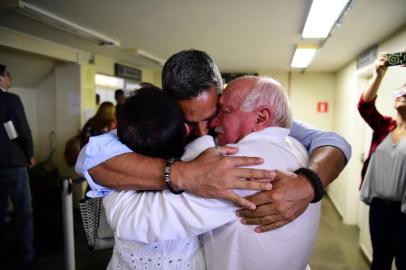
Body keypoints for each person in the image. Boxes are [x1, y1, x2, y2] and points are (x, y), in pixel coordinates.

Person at [76, 49, 351, 232]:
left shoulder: (245, 108)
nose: (205, 129)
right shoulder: (157, 120)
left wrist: (308, 184)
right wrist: (183, 174)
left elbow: (333, 141)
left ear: (224, 95)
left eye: (214, 114)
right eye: (189, 121)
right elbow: (89, 157)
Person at [102, 76, 320, 270]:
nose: (214, 122)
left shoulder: (241, 163)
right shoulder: (297, 146)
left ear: (260, 118)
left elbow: (134, 221)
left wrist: (108, 179)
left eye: (224, 111)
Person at [358, 53, 406, 270]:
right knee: (380, 262)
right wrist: (379, 74)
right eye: (401, 91)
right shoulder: (384, 127)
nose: (403, 94)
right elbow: (365, 107)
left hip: (404, 213)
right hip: (379, 209)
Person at [0, 64, 36, 267]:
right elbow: (22, 128)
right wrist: (29, 154)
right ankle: (26, 256)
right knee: (23, 211)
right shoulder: (10, 99)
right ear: (2, 77)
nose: (10, 79)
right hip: (13, 162)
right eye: (8, 75)